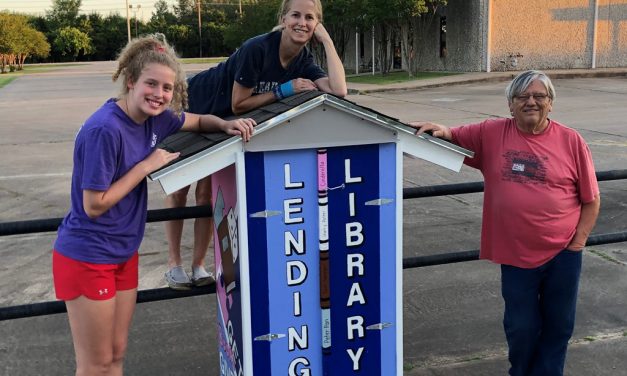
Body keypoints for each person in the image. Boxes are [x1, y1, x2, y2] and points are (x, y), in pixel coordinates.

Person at [52, 34, 255, 375]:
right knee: (94, 364)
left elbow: (197, 120)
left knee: (116, 355)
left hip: (123, 252)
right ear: (130, 81)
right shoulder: (105, 129)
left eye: (167, 88)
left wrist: (224, 123)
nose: (159, 95)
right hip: (88, 255)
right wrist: (147, 166)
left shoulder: (157, 118)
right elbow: (94, 205)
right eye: (151, 84)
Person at [409, 70, 600, 376]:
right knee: (521, 328)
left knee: (559, 325)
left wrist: (577, 243)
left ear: (551, 103)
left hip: (563, 252)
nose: (531, 102)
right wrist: (440, 130)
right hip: (515, 255)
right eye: (523, 96)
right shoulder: (491, 132)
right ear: (511, 104)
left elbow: (591, 200)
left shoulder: (572, 141)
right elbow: (453, 136)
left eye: (539, 96)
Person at [163, 0, 347, 290]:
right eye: (296, 15)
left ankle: (198, 266)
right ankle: (174, 265)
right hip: (196, 107)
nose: (302, 22)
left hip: (224, 124)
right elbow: (239, 104)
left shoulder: (303, 58)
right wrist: (284, 90)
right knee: (178, 189)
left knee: (206, 193)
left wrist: (327, 40)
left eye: (310, 18)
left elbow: (339, 90)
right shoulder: (257, 48)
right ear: (283, 19)